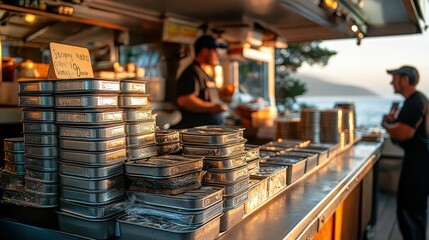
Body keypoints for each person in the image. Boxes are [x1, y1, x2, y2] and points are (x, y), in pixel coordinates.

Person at [382, 65, 429, 240]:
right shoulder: (415, 101)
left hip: (419, 164)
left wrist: (386, 125)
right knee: (413, 211)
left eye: (394, 78)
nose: (390, 82)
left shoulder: (416, 102)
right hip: (418, 161)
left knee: (410, 212)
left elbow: (405, 132)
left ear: (405, 80)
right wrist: (394, 123)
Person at [174, 35, 228, 128]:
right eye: (215, 51)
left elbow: (206, 97)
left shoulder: (206, 73)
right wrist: (212, 107)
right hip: (198, 134)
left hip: (211, 132)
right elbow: (184, 100)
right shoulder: (191, 73)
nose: (218, 55)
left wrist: (222, 94)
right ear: (204, 52)